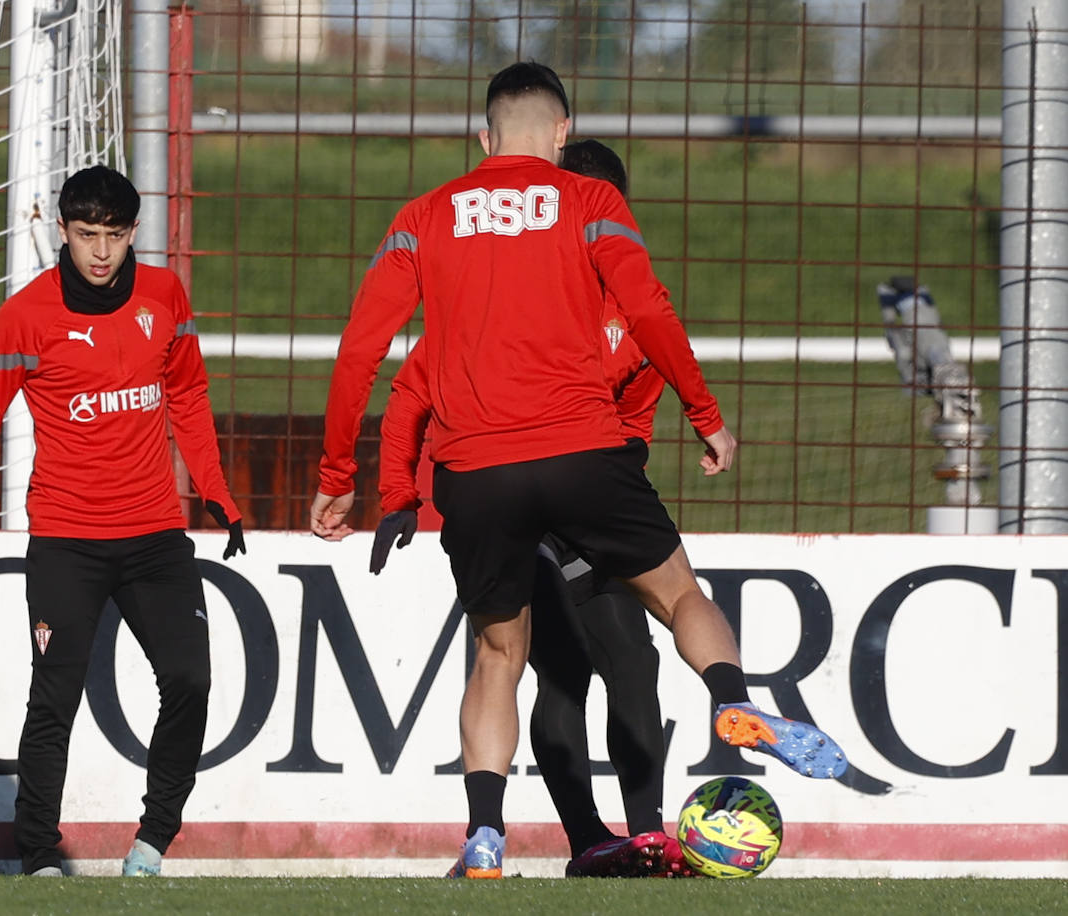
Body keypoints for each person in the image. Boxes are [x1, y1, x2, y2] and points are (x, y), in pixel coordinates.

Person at [314, 62, 847, 880]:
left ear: (484, 138)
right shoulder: (589, 202)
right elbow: (648, 310)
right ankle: (734, 702)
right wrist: (706, 415)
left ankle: (486, 840)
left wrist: (338, 471)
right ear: (562, 135)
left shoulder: (423, 216)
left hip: (477, 467)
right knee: (678, 596)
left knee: (500, 655)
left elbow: (363, 349)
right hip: (583, 454)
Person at [371, 140, 693, 879]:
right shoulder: (494, 304)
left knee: (632, 660)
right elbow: (411, 392)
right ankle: (587, 840)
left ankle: (644, 835)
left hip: (586, 501)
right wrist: (399, 493)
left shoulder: (633, 311)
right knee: (561, 671)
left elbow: (635, 425)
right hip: (513, 508)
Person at [0, 164, 246, 878]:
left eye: (115, 235)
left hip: (153, 537)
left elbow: (189, 394)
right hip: (66, 541)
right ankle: (38, 853)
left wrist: (217, 492)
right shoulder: (27, 314)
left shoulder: (164, 297)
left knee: (191, 680)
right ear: (63, 231)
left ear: (133, 231)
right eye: (88, 236)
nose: (102, 252)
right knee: (55, 700)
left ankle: (152, 841)